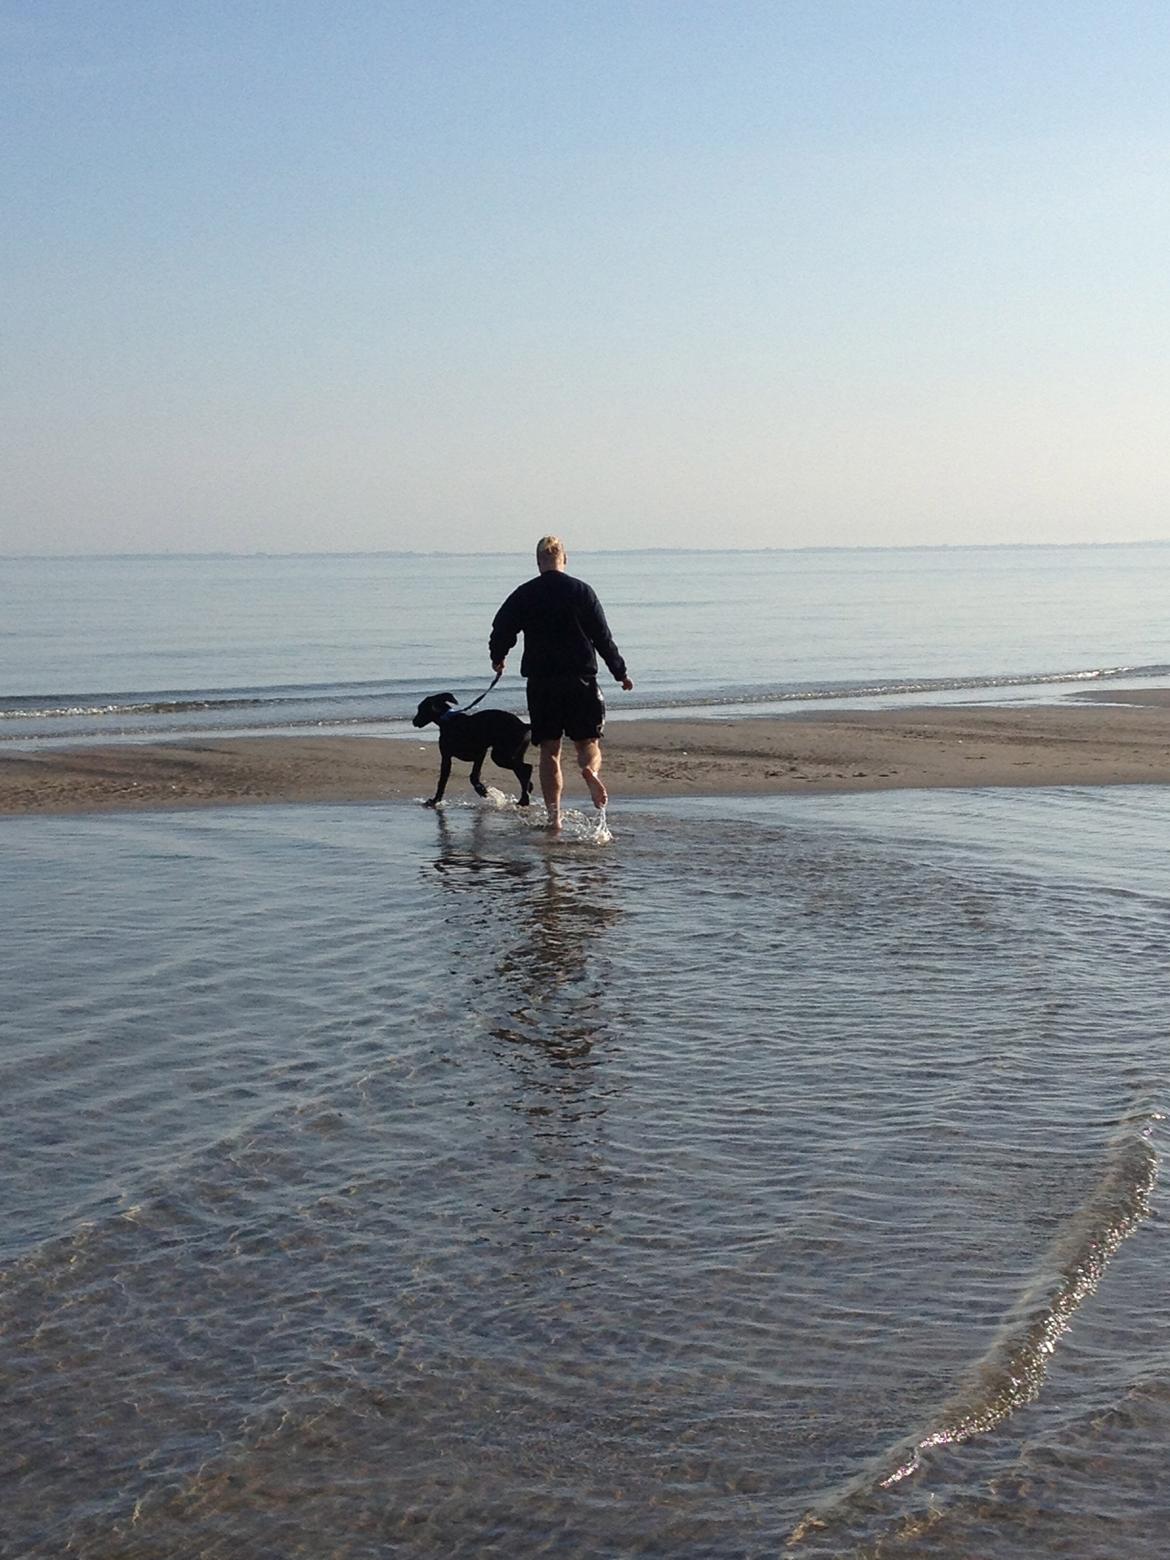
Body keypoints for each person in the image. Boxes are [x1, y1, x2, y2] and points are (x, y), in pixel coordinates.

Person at [489, 536, 634, 830]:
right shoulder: (582, 591)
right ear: (564, 559)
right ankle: (590, 772)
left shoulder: (525, 593)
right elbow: (602, 637)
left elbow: (502, 627)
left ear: (538, 561)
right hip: (581, 679)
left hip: (543, 683)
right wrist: (620, 672)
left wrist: (498, 656)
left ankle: (554, 818)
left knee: (550, 751)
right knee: (588, 744)